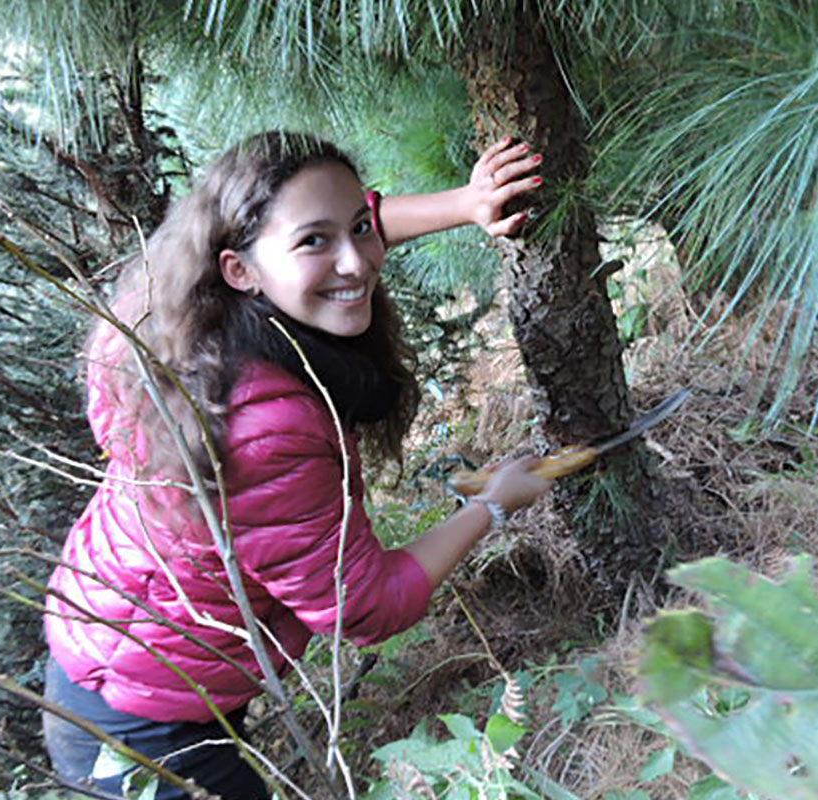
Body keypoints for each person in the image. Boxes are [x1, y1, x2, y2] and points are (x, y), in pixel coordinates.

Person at [42, 131, 552, 799]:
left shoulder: (167, 311)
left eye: (360, 229)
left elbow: (336, 234)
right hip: (139, 728)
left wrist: (467, 202)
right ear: (239, 268)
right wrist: (489, 507)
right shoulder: (262, 428)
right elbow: (365, 608)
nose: (357, 262)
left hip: (106, 641)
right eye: (315, 241)